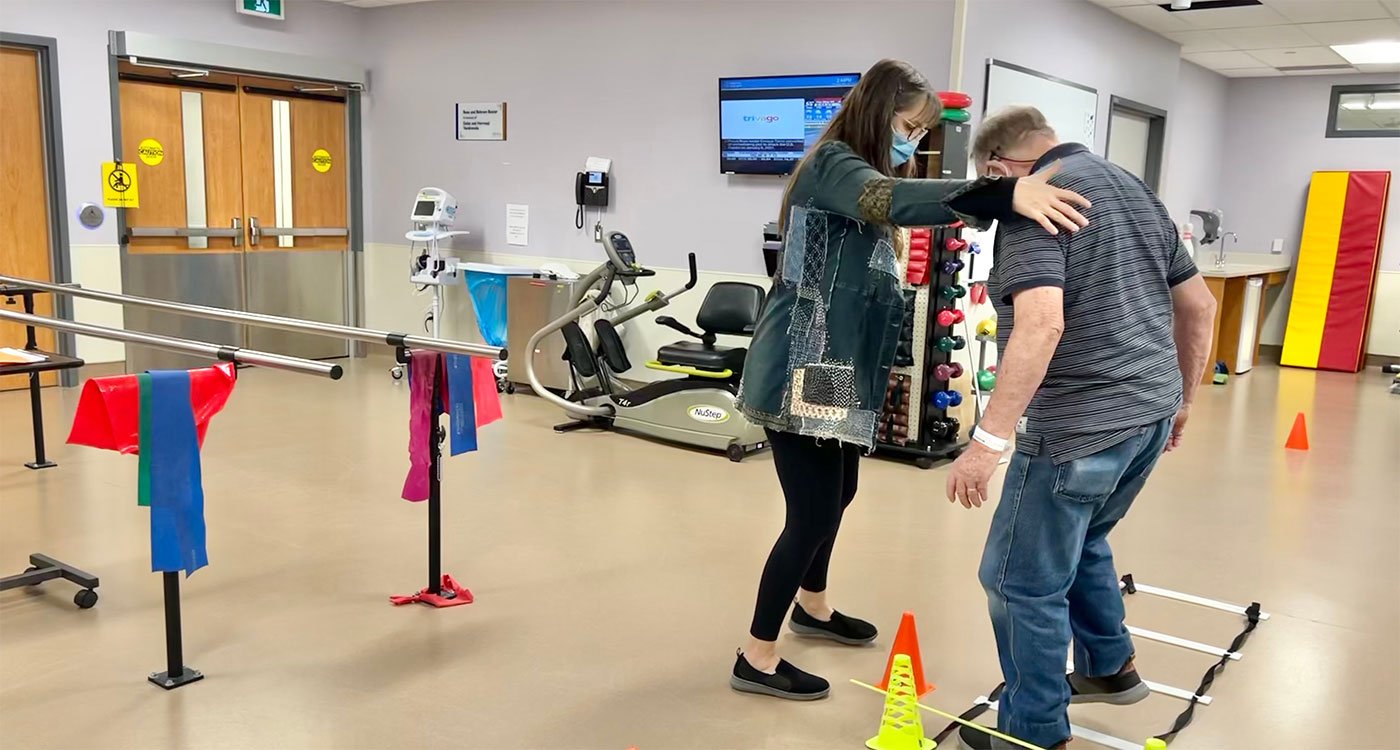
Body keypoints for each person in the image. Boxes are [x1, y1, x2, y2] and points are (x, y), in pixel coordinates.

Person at [730, 61, 1093, 701]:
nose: (914, 142)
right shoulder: (835, 164)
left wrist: (987, 207)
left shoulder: (861, 170)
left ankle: (812, 607)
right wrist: (1003, 193)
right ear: (878, 113)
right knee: (810, 510)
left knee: (837, 494)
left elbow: (910, 213)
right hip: (803, 362)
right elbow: (890, 201)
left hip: (834, 367)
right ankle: (756, 655)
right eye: (909, 127)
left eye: (923, 133)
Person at [945, 106, 1218, 750]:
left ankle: (1032, 732)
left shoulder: (1033, 205)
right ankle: (1110, 667)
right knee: (1085, 536)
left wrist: (987, 442)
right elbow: (1199, 307)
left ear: (1001, 168)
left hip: (1079, 428)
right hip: (1148, 414)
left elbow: (1042, 325)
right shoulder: (1135, 191)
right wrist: (1182, 399)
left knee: (1017, 578)